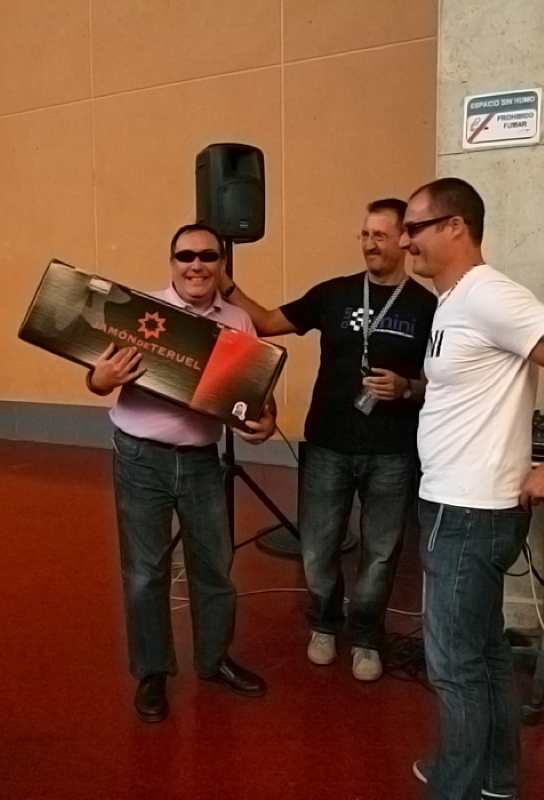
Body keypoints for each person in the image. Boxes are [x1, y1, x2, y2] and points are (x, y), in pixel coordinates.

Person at [220, 199, 436, 680]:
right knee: (317, 548)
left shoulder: (427, 307)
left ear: (404, 240)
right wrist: (226, 286)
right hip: (327, 445)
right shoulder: (335, 294)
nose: (369, 244)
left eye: (380, 235)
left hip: (392, 451)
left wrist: (407, 387)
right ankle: (323, 623)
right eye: (365, 234)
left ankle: (366, 637)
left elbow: (442, 381)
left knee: (381, 553)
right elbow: (268, 322)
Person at [86, 223, 276, 722]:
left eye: (208, 256)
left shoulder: (238, 320)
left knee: (213, 569)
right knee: (145, 573)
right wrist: (99, 380)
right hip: (139, 458)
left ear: (221, 265)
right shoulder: (140, 311)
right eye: (185, 256)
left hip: (201, 462)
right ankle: (152, 672)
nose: (196, 265)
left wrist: (265, 421)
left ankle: (213, 660)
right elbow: (98, 377)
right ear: (172, 262)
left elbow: (254, 392)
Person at [400, 177, 544, 800]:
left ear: (455, 226)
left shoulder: (491, 295)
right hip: (458, 506)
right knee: (483, 655)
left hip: (468, 512)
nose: (404, 242)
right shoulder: (454, 301)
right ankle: (494, 779)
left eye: (414, 228)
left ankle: (455, 788)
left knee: (454, 667)